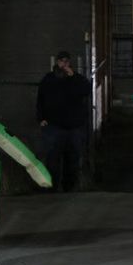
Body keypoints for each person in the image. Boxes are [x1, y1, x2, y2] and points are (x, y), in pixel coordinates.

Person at [36, 50, 91, 192]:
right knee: (52, 160)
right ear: (57, 62)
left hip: (73, 127)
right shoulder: (49, 79)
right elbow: (40, 99)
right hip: (54, 126)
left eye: (66, 61)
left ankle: (68, 187)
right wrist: (41, 118)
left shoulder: (76, 79)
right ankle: (52, 188)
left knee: (71, 159)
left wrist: (73, 77)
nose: (64, 64)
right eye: (61, 61)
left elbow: (86, 90)